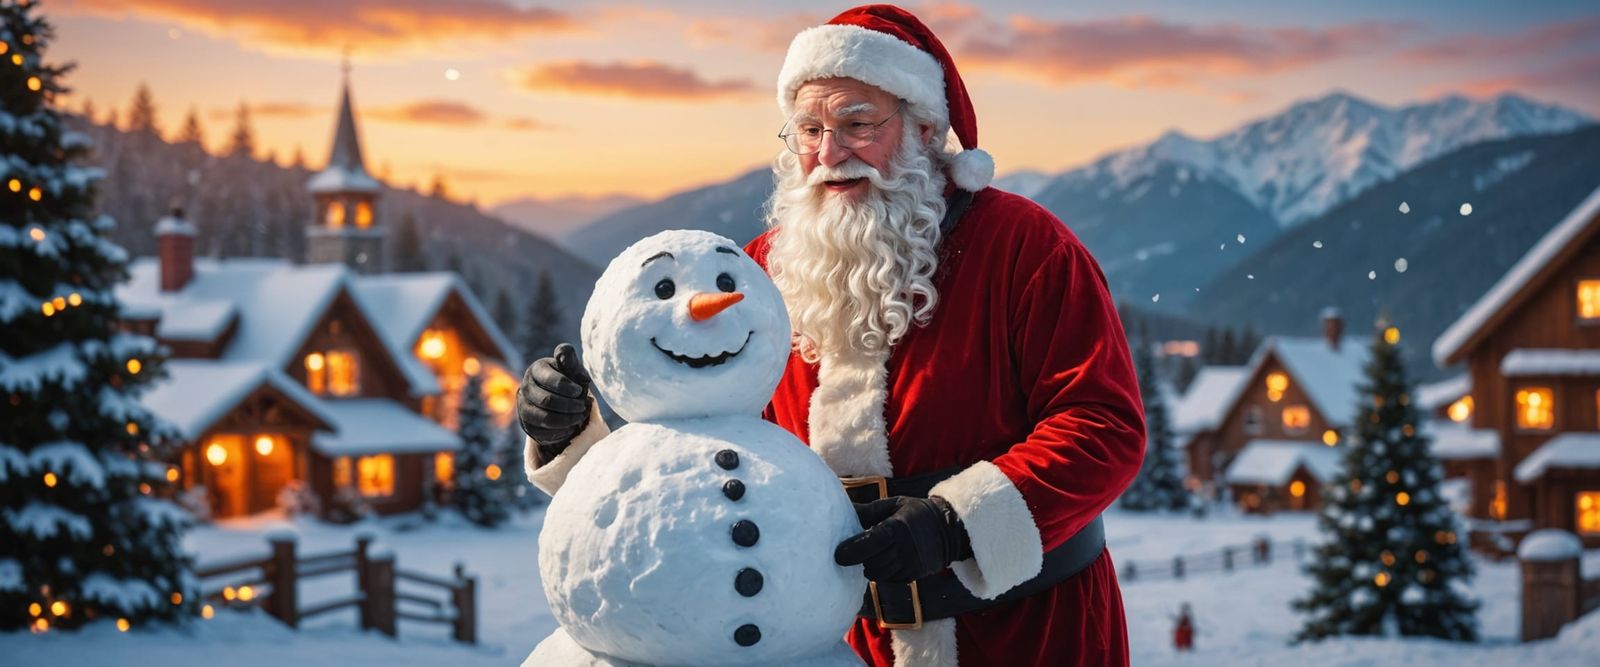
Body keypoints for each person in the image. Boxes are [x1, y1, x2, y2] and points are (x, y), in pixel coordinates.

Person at [516, 5, 1145, 666]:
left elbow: (1102, 425)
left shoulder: (1024, 246)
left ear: (925, 128)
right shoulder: (758, 270)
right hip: (842, 644)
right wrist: (572, 437)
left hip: (1026, 632)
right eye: (809, 129)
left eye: (857, 123)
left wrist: (957, 522)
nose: (829, 152)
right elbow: (702, 452)